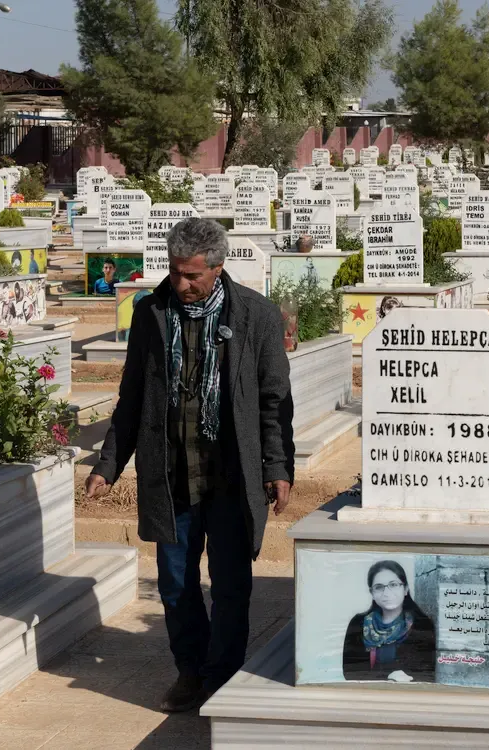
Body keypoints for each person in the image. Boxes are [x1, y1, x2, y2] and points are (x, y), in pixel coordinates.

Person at [87, 217, 295, 713]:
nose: (181, 285)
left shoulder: (257, 317)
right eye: (175, 273)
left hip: (230, 476)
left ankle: (221, 676)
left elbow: (274, 401)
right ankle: (189, 670)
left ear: (218, 269)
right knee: (176, 585)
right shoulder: (151, 313)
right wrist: (108, 463)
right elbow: (132, 396)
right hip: (172, 475)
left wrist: (278, 465)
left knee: (230, 587)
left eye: (192, 276)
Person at [341, 561, 436, 682]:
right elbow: (350, 672)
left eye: (394, 585)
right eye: (379, 587)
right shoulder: (358, 624)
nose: (387, 593)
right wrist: (386, 679)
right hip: (368, 695)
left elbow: (428, 673)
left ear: (405, 589)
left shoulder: (422, 625)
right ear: (372, 593)